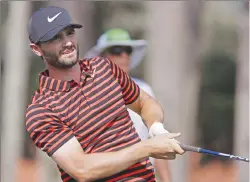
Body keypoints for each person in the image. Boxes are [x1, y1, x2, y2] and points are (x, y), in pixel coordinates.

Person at [26, 6, 184, 182]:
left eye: (69, 33)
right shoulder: (41, 111)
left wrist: (156, 127)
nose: (68, 43)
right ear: (36, 49)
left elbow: (145, 103)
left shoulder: (104, 68)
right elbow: (82, 169)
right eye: (56, 38)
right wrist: (146, 148)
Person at [85, 28, 172, 181]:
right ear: (101, 57)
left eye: (128, 50)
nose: (124, 56)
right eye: (117, 50)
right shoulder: (87, 94)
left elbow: (156, 142)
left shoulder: (144, 91)